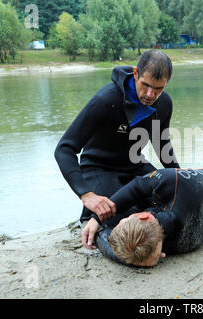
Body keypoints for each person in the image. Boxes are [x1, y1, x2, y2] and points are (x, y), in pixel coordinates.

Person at [54, 50, 180, 224]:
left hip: (135, 165)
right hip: (99, 167)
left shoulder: (164, 103)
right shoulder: (106, 100)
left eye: (158, 89)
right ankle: (88, 215)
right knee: (122, 217)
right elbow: (64, 149)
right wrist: (86, 194)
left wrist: (179, 176)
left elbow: (161, 143)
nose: (150, 95)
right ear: (136, 73)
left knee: (172, 203)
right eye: (145, 85)